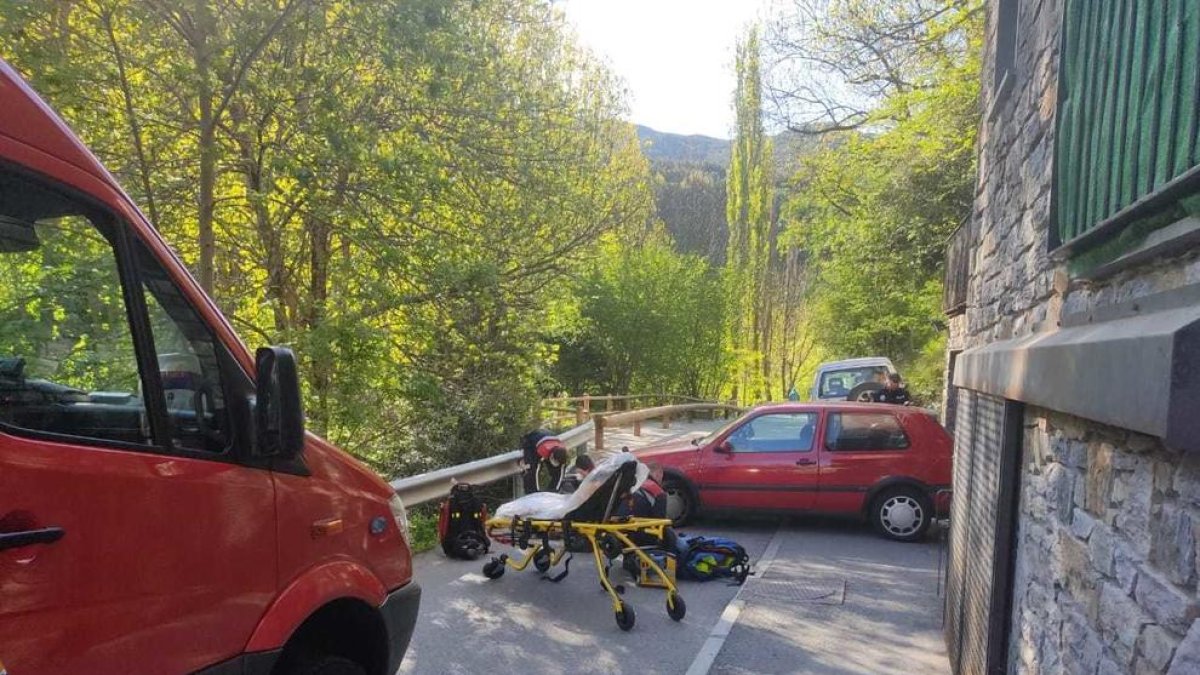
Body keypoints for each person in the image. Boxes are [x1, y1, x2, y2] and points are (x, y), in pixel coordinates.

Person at [519, 428, 569, 493]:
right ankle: (532, 493)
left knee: (558, 471)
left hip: (549, 438)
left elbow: (561, 472)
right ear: (551, 456)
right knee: (532, 469)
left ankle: (553, 491)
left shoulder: (563, 453)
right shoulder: (543, 449)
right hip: (531, 443)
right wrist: (536, 491)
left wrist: (555, 491)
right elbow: (537, 467)